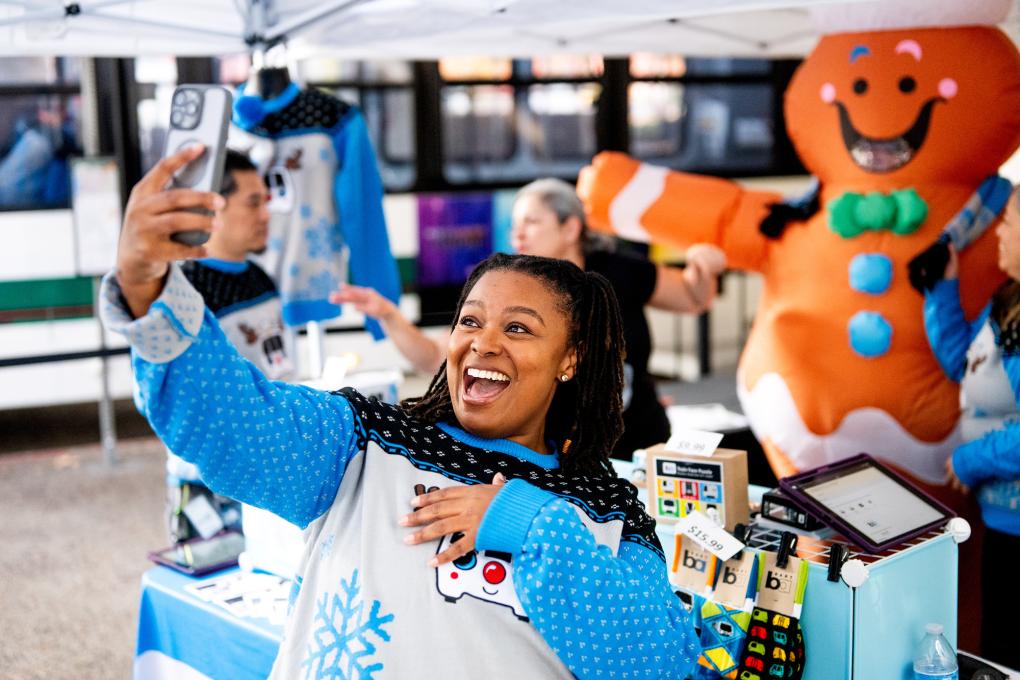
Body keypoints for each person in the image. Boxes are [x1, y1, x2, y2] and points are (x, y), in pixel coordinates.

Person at [102, 145, 700, 678]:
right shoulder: (364, 443)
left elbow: (657, 663)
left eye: (518, 328)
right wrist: (146, 286)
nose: (483, 344)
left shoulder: (603, 506)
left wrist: (522, 519)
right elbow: (236, 422)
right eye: (470, 321)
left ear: (570, 360)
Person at [333, 177, 727, 459]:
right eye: (515, 223)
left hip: (638, 436)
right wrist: (389, 316)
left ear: (571, 227)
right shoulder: (507, 286)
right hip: (560, 455)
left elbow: (692, 297)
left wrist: (703, 264)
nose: (518, 232)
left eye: (532, 222)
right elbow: (436, 359)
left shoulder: (619, 271)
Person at [164, 149, 295, 543]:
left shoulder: (261, 279)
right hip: (208, 481)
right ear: (212, 209)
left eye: (266, 202)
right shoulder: (184, 293)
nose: (266, 214)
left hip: (268, 468)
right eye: (253, 203)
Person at [924, 188, 1020, 669]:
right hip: (1002, 522)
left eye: (1009, 220)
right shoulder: (1008, 301)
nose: (999, 231)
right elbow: (964, 363)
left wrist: (968, 460)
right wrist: (940, 288)